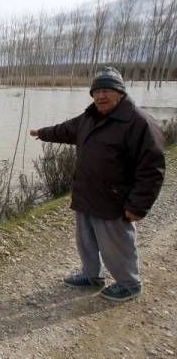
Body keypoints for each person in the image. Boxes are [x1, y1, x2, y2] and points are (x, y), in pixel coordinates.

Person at [29, 67, 165, 302]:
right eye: (97, 91)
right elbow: (65, 130)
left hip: (115, 200)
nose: (101, 96)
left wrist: (138, 206)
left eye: (107, 90)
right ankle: (92, 276)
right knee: (86, 241)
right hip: (87, 194)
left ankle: (129, 283)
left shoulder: (139, 122)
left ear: (120, 92)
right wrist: (42, 132)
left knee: (117, 246)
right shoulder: (90, 116)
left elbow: (152, 170)